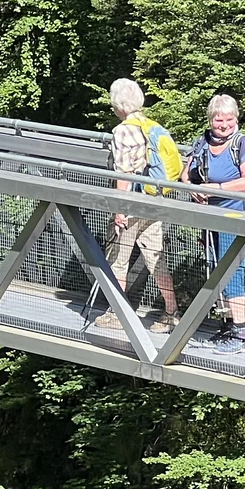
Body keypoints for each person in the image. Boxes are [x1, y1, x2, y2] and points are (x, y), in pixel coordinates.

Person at [98, 79, 181, 334]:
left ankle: (118, 314)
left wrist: (119, 209)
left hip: (132, 203)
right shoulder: (151, 126)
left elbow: (124, 174)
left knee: (118, 260)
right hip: (153, 201)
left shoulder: (123, 131)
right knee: (155, 258)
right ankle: (171, 312)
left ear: (118, 105)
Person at [186, 94, 245, 354]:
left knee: (232, 272)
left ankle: (242, 333)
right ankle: (229, 325)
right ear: (210, 120)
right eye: (219, 120)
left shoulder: (242, 145)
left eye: (230, 119)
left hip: (234, 217)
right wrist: (194, 189)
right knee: (217, 269)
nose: (225, 125)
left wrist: (217, 188)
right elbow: (186, 176)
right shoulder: (202, 143)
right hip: (209, 218)